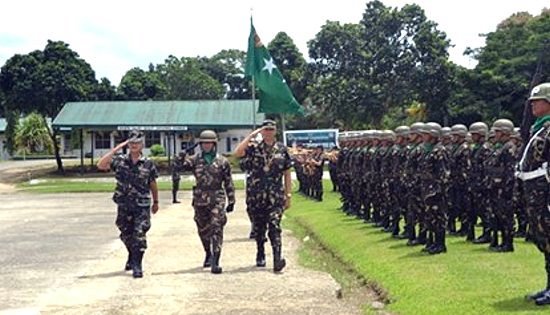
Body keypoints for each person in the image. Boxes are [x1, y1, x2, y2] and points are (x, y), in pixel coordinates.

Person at [97, 130, 159, 278]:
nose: (134, 145)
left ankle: (137, 265)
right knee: (125, 233)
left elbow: (152, 183)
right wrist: (117, 148)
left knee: (139, 234)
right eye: (131, 143)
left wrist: (156, 201)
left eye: (137, 143)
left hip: (141, 205)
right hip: (124, 204)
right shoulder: (120, 160)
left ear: (142, 144)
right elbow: (101, 165)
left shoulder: (148, 163)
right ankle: (132, 255)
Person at [235, 119, 292, 272]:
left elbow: (287, 173)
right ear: (262, 131)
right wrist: (252, 135)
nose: (268, 132)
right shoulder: (254, 148)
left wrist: (288, 194)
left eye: (271, 129)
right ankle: (260, 252)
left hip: (275, 196)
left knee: (274, 226)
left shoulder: (282, 149)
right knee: (259, 228)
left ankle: (277, 258)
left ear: (275, 131)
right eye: (265, 129)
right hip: (257, 195)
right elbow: (238, 153)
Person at [177, 130, 235, 274]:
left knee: (216, 226)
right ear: (200, 144)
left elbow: (228, 181)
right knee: (203, 229)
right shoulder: (194, 160)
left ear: (214, 144)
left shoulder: (222, 161)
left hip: (217, 197)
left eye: (209, 143)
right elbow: (179, 167)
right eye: (204, 143)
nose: (207, 145)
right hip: (200, 198)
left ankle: (216, 260)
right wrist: (183, 153)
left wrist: (231, 199)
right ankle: (207, 252)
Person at [518, 82, 550, 305]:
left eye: (537, 101)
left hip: (545, 192)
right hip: (535, 193)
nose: (532, 105)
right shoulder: (540, 128)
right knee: (544, 240)